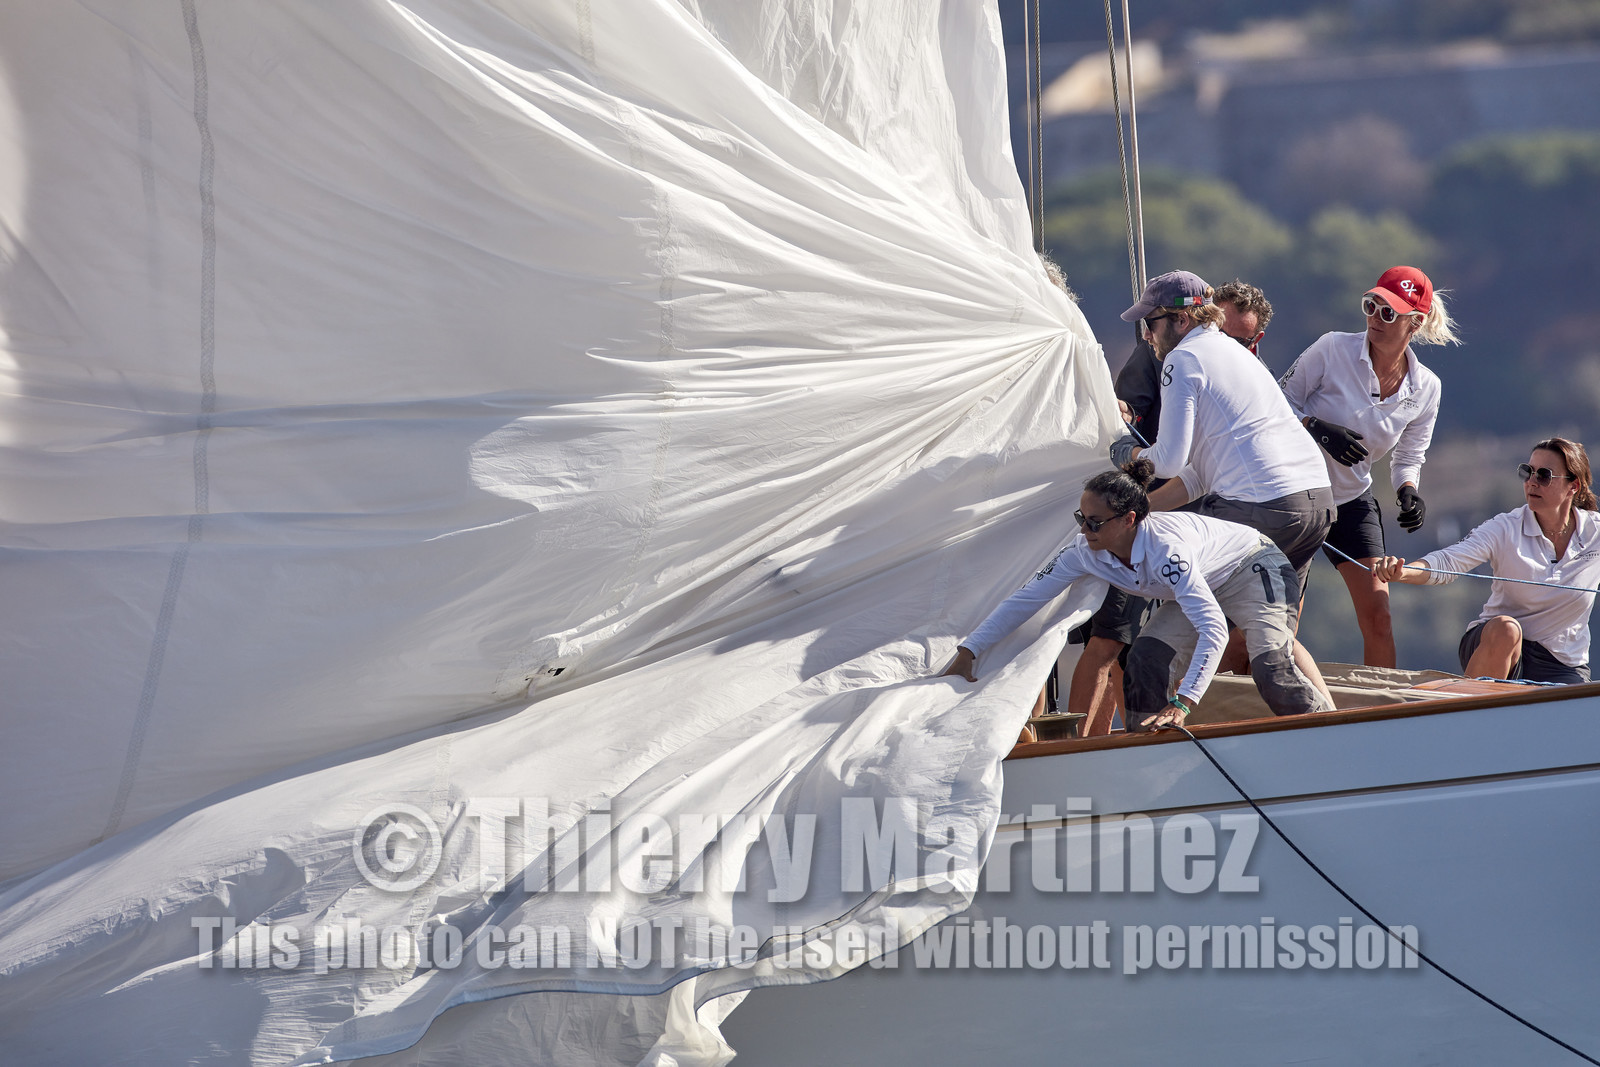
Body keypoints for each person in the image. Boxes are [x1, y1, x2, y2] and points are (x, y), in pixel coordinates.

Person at [943, 462, 1332, 731]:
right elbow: (1025, 601)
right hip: (1203, 580)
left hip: (1253, 565)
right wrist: (969, 651)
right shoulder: (1083, 552)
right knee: (1145, 658)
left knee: (1271, 667)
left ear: (1129, 520)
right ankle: (1148, 744)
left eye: (1094, 522)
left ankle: (1328, 731)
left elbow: (1213, 629)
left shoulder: (1166, 551)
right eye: (1081, 519)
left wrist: (1184, 703)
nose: (1085, 531)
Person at [1279, 266, 1457, 667]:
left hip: (1351, 501)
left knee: (1379, 618)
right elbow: (1274, 401)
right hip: (1293, 495)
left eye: (1389, 313)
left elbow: (1410, 454)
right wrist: (1315, 427)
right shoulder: (1331, 348)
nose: (1376, 318)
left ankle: (1382, 715)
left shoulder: (1428, 387)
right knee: (1280, 623)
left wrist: (1408, 489)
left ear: (1417, 322)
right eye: (1371, 306)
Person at [1109, 271, 1334, 586]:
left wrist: (1122, 452)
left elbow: (1168, 462)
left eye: (1150, 323)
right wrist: (1136, 511)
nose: (1146, 335)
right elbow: (1201, 472)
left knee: (1188, 613)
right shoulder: (1239, 355)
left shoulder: (1183, 358)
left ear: (1182, 320)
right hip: (1317, 504)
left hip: (1262, 506)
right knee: (1258, 625)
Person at [1374, 438, 1600, 684]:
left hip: (1563, 662)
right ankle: (1466, 716)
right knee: (1507, 629)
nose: (1532, 482)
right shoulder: (1504, 527)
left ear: (1573, 486)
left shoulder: (1595, 533)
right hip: (1495, 642)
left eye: (1544, 475)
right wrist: (1402, 572)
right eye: (1527, 472)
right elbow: (1448, 562)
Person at [1215, 279, 1273, 357]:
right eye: (1219, 333)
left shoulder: (1257, 369)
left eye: (1239, 341)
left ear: (1256, 340)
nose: (1226, 346)